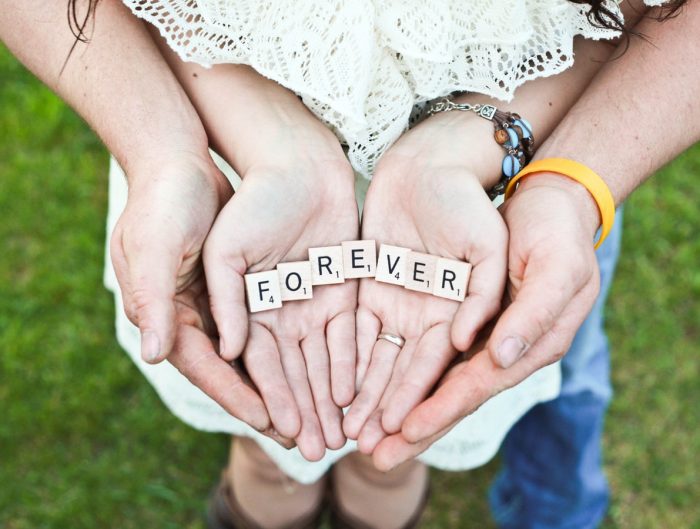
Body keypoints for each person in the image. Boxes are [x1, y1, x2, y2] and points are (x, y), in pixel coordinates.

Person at [2, 1, 697, 529]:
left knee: (393, 454)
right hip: (221, 157)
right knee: (270, 454)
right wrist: (164, 148)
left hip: (502, 185)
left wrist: (571, 183)